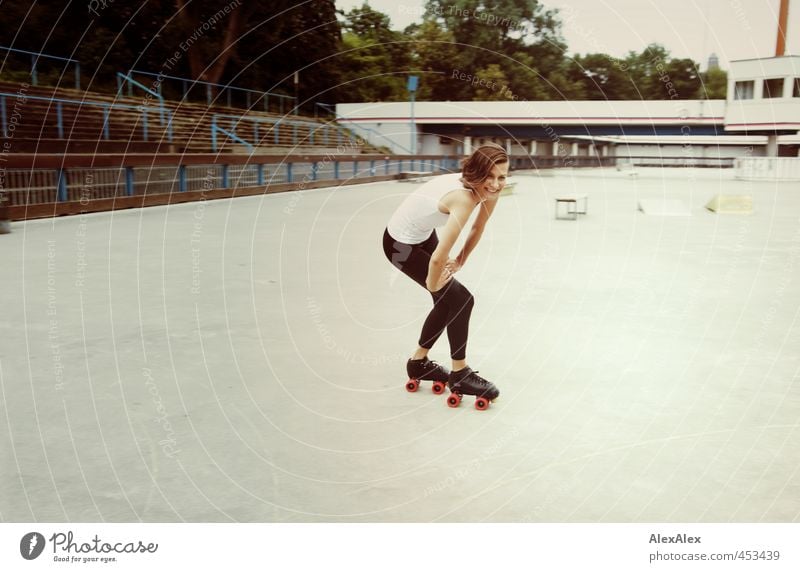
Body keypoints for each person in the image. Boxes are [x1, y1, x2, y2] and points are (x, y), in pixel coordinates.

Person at [382, 143, 509, 406]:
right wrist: (433, 284)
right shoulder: (463, 198)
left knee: (450, 299)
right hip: (399, 245)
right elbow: (440, 256)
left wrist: (461, 259)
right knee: (462, 299)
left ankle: (418, 363)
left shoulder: (488, 191)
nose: (496, 184)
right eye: (490, 176)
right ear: (476, 172)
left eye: (502, 177)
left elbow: (478, 228)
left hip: (421, 234)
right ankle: (460, 373)